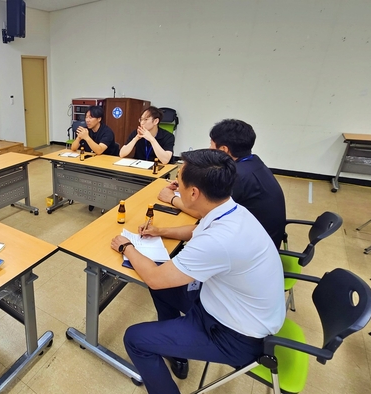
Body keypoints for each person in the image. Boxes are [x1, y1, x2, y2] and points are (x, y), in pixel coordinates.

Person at [112, 149, 285, 394]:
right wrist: (160, 231)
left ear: (193, 193)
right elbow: (197, 232)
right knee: (163, 290)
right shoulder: (230, 209)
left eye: (178, 182)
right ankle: (177, 353)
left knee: (135, 338)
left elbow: (155, 277)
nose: (175, 187)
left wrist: (126, 247)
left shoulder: (220, 240)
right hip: (227, 306)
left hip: (235, 336)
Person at [158, 119, 286, 248]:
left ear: (224, 150)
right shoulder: (253, 163)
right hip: (264, 238)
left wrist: (171, 198)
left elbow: (202, 210)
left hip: (250, 245)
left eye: (211, 144)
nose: (209, 148)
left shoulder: (236, 176)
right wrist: (186, 186)